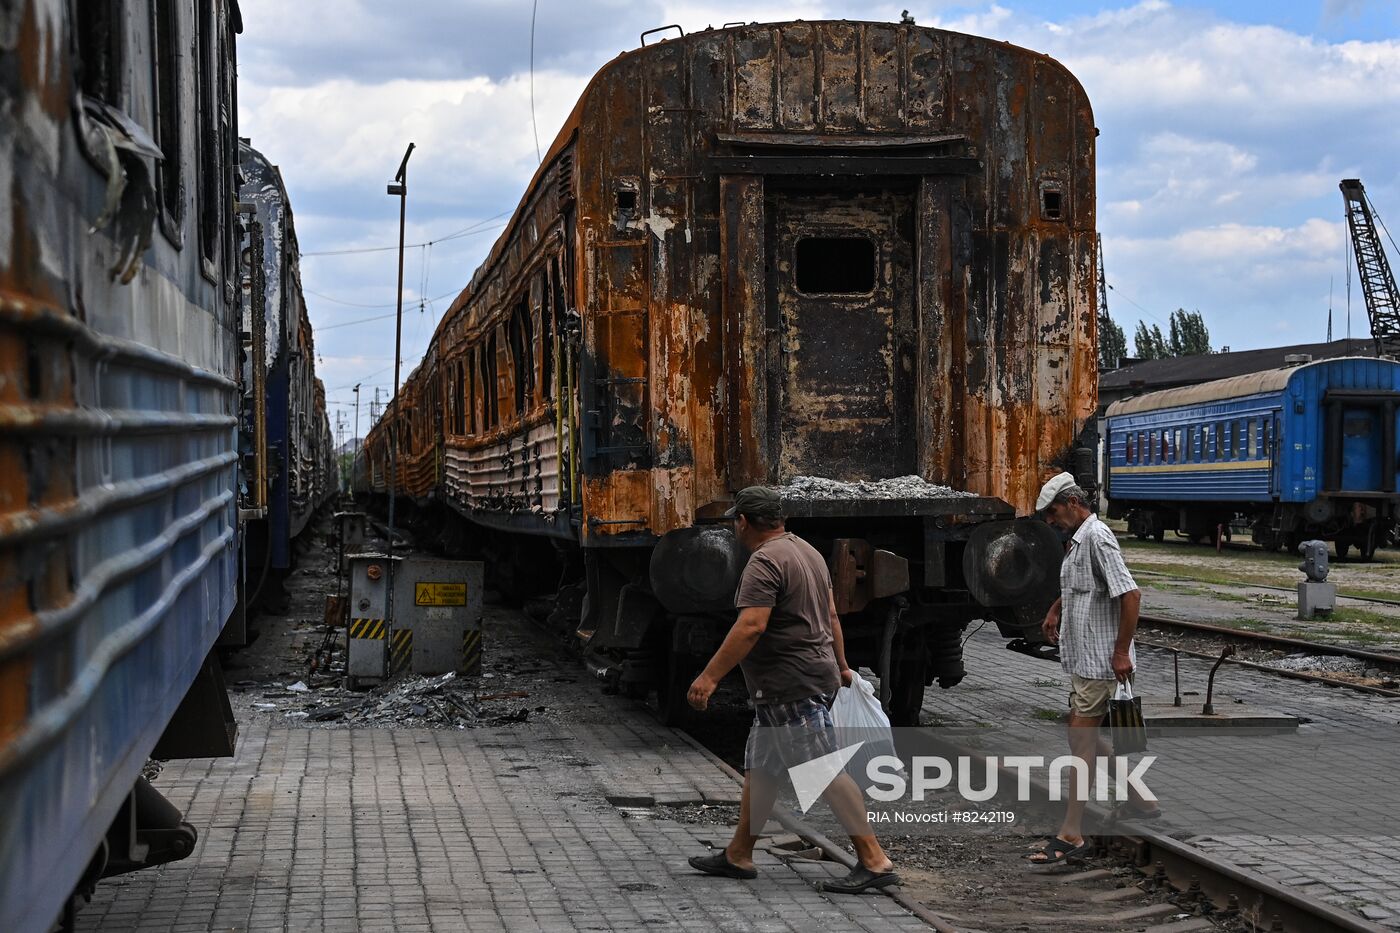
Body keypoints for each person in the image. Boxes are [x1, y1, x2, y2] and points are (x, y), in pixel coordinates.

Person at [685, 486, 900, 894]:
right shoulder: (807, 551)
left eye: (735, 521)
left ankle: (874, 859)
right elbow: (832, 615)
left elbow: (751, 625)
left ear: (744, 522)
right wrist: (840, 665)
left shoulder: (763, 562)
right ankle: (739, 854)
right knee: (761, 767)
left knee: (822, 768)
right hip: (804, 677)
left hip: (789, 683)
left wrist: (709, 677)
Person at [1028, 472, 1159, 866]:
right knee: (1079, 736)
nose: (1050, 520)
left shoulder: (1098, 538)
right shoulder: (1078, 540)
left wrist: (1121, 652)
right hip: (1086, 660)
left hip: (1103, 661)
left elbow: (1131, 595)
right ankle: (1142, 800)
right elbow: (1079, 587)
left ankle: (1071, 833)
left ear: (1071, 502)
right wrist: (1055, 609)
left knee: (1080, 744)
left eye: (1052, 512)